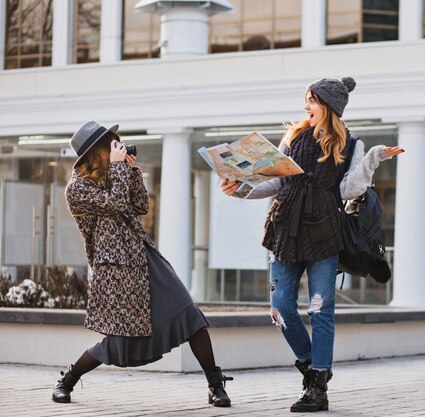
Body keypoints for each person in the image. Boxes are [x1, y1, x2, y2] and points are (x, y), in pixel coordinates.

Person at [220, 77, 403, 412]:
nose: (306, 106)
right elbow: (276, 182)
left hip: (323, 234)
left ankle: (317, 388)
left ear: (329, 107)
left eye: (312, 101)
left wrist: (373, 158)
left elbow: (350, 190)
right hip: (283, 231)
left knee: (321, 311)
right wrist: (241, 189)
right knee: (280, 309)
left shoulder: (351, 144)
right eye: (306, 99)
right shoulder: (293, 137)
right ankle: (311, 366)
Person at [52, 120, 232, 407]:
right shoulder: (77, 189)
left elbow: (139, 205)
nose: (118, 148)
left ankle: (215, 384)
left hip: (144, 257)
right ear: (97, 152)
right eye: (112, 145)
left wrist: (131, 170)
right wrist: (121, 168)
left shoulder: (116, 172)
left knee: (190, 315)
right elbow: (117, 204)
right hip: (116, 267)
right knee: (118, 342)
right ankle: (68, 380)